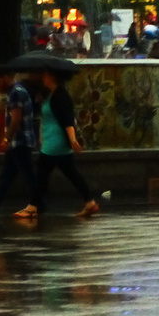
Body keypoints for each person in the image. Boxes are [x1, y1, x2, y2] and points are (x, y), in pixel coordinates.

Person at [21, 68, 99, 219]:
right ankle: (89, 202)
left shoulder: (61, 96)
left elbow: (68, 121)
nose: (43, 77)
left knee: (43, 175)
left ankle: (33, 207)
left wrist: (73, 140)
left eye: (45, 75)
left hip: (55, 143)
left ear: (52, 77)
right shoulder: (51, 94)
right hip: (53, 142)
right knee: (71, 174)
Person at [0, 69, 39, 218]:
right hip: (18, 142)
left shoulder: (16, 93)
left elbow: (16, 119)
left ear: (7, 78)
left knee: (28, 176)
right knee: (8, 176)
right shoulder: (18, 91)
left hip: (20, 141)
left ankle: (39, 203)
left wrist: (6, 139)